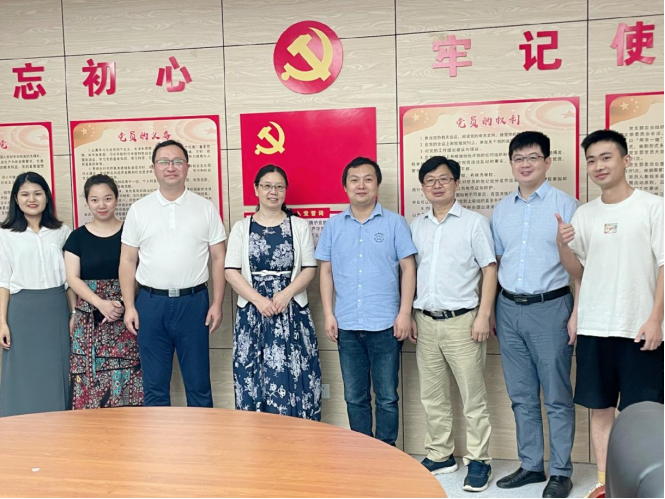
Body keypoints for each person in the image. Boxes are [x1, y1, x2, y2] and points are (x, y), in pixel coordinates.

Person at [556, 130, 664, 499]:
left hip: (639, 328)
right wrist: (562, 245)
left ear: (625, 160)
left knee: (643, 414)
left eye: (606, 157)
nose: (598, 166)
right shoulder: (585, 214)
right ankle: (605, 483)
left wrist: (656, 319)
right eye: (591, 160)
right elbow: (578, 270)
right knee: (600, 409)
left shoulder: (653, 207)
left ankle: (643, 485)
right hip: (595, 327)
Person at [491, 131, 579, 499]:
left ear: (547, 162)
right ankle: (530, 465)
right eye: (518, 158)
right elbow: (497, 264)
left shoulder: (569, 206)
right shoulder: (501, 210)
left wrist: (576, 314)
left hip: (551, 308)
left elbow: (581, 268)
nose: (525, 164)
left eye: (532, 157)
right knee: (521, 395)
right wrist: (491, 309)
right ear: (511, 163)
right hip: (508, 309)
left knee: (556, 395)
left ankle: (560, 471)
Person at [316, 157, 417, 446]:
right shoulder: (333, 225)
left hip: (386, 324)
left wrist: (405, 313)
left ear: (377, 185)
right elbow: (326, 271)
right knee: (354, 396)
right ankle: (363, 453)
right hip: (346, 324)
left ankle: (387, 452)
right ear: (345, 186)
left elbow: (408, 268)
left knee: (387, 397)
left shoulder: (395, 223)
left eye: (368, 179)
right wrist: (329, 313)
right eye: (354, 180)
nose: (361, 185)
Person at [411, 157, 497, 493]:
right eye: (430, 180)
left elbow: (489, 269)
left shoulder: (474, 223)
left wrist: (484, 315)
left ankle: (479, 460)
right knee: (433, 396)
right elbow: (410, 273)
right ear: (423, 187)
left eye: (444, 179)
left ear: (456, 184)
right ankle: (441, 454)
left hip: (464, 322)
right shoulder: (416, 226)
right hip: (425, 322)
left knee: (472, 397)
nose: (437, 185)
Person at [119, 140, 227, 407]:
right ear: (154, 168)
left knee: (198, 383)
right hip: (150, 304)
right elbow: (127, 260)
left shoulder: (205, 208)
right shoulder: (139, 209)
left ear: (187, 167)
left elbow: (218, 257)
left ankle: (202, 434)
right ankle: (158, 437)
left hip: (194, 303)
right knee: (154, 386)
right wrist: (130, 306)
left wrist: (217, 303)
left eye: (178, 161)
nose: (171, 167)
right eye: (164, 162)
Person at [225, 165, 322, 420]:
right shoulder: (241, 227)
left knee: (296, 374)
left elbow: (309, 269)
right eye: (267, 186)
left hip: (291, 311)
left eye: (279, 187)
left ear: (285, 191)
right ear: (256, 189)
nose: (273, 192)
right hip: (253, 313)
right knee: (252, 375)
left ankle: (298, 435)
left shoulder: (298, 225)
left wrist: (286, 294)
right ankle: (256, 435)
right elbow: (230, 271)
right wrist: (258, 300)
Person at [64, 174, 143, 409]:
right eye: (95, 199)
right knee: (87, 381)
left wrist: (123, 303)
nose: (102, 205)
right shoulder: (77, 237)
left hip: (126, 315)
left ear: (116, 199)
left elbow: (141, 272)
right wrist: (100, 303)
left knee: (129, 376)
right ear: (87, 202)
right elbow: (72, 278)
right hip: (89, 318)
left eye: (107, 198)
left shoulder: (130, 233)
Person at [0, 172, 74, 417]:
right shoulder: (4, 234)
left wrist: (74, 313)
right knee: (21, 373)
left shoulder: (62, 231)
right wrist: (2, 322)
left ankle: (59, 429)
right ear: (15, 199)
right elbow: (3, 282)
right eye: (25, 194)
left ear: (47, 197)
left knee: (57, 370)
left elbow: (70, 281)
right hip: (21, 312)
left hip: (56, 309)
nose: (31, 199)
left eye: (37, 193)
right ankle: (19, 430)